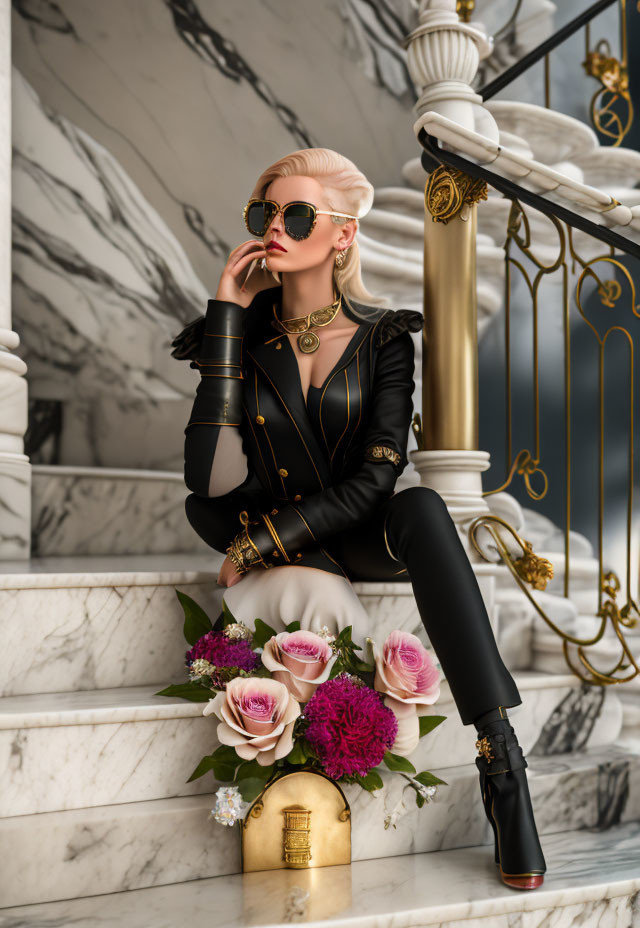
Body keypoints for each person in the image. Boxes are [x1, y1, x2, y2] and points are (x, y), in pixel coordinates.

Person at [171, 147, 546, 890]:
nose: (277, 227)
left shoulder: (384, 340)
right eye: (265, 213)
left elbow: (376, 482)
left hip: (339, 529)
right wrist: (225, 311)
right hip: (257, 513)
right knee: (203, 502)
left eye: (298, 214)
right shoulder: (238, 335)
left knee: (424, 508)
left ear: (342, 234)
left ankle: (502, 760)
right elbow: (206, 480)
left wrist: (263, 543)